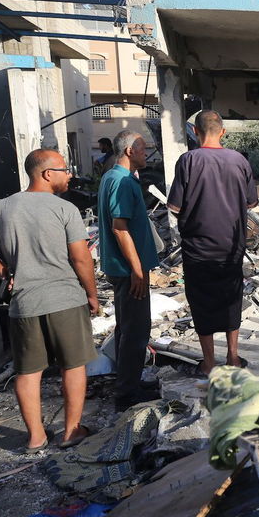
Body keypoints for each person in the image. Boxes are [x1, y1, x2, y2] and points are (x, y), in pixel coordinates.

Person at [0, 149, 97, 452]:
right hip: (64, 299)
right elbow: (81, 257)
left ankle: (35, 437)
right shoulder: (64, 209)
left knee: (28, 372)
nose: (69, 174)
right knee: (73, 366)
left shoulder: (2, 207)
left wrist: (0, 268)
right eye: (64, 169)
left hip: (24, 303)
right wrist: (92, 294)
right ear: (46, 174)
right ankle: (71, 432)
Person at [167, 110, 257, 378]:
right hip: (231, 246)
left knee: (201, 302)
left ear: (195, 132)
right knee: (231, 299)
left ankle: (209, 362)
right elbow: (251, 203)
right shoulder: (239, 161)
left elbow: (174, 206)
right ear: (223, 132)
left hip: (197, 248)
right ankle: (233, 356)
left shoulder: (188, 161)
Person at [98, 130, 160, 409]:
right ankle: (127, 395)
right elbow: (120, 229)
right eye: (142, 148)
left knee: (127, 328)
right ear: (128, 152)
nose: (145, 153)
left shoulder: (113, 177)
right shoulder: (122, 181)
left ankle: (129, 382)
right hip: (128, 269)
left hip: (122, 267)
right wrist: (137, 271)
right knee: (136, 330)